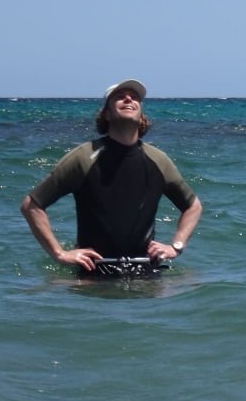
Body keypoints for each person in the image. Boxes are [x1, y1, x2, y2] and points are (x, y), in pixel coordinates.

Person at [20, 78, 202, 276]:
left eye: (134, 98)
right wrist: (60, 254)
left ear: (141, 113)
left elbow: (193, 206)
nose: (128, 99)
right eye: (119, 97)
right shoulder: (83, 157)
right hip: (93, 273)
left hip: (146, 272)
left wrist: (175, 246)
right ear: (106, 114)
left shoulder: (158, 160)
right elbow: (32, 205)